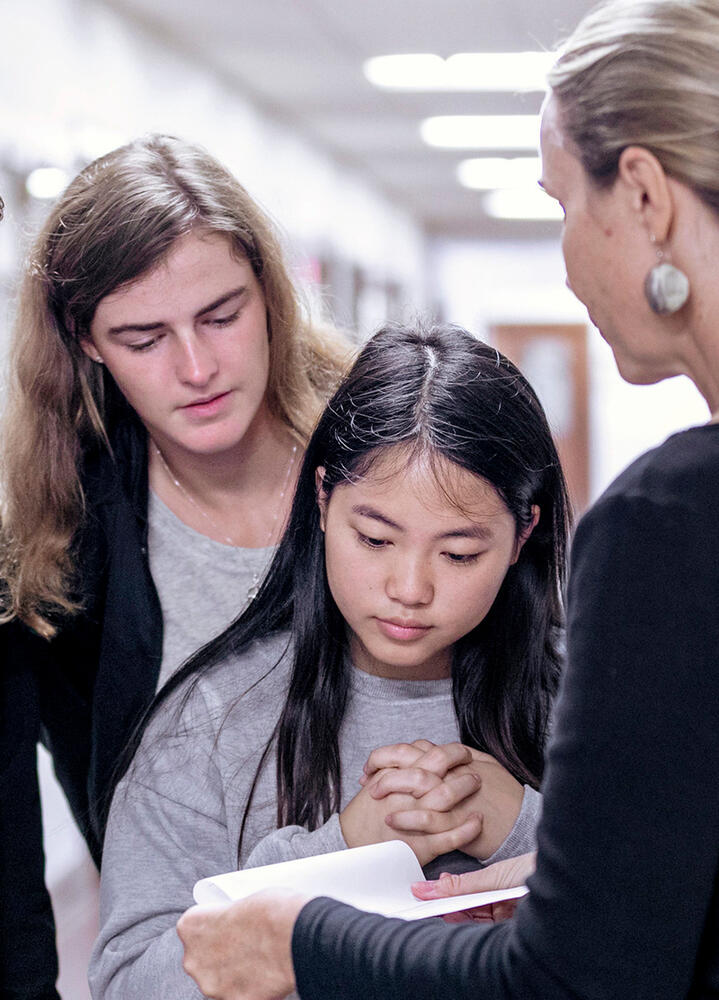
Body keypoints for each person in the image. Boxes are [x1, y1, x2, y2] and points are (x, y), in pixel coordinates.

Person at [175, 1, 719, 997]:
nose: (563, 256)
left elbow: (572, 979)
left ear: (640, 194)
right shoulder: (213, 716)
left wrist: (303, 933)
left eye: (562, 205)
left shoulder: (673, 522)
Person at [88, 321, 570, 998]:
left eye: (459, 553)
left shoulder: (593, 701)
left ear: (523, 533)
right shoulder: (211, 724)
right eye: (374, 539)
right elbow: (129, 987)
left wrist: (525, 825)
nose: (409, 588)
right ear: (321, 500)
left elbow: (677, 940)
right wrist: (342, 852)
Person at [0, 134, 348, 1000]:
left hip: (405, 953)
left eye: (221, 316)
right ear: (85, 343)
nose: (195, 369)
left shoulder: (384, 450)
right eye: (143, 337)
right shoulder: (49, 538)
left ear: (269, 295)